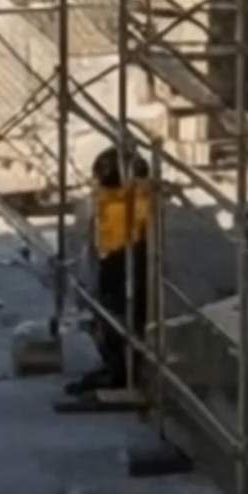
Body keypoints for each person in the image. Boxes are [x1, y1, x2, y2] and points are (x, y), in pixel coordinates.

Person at [88, 136, 153, 395]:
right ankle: (118, 368)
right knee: (118, 315)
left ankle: (120, 371)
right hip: (121, 254)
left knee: (119, 315)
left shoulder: (124, 199)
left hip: (124, 256)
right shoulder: (134, 194)